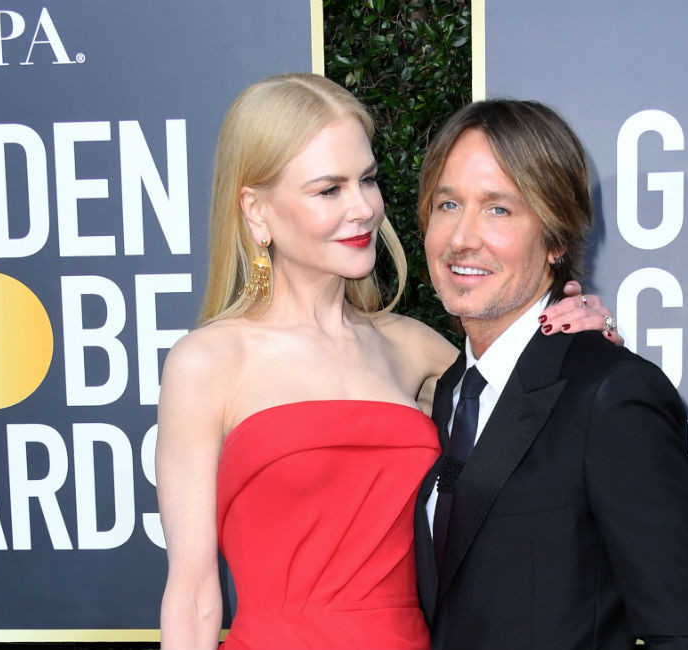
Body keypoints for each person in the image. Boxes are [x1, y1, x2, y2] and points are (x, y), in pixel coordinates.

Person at [155, 73, 618, 649]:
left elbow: (544, 432)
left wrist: (577, 336)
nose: (364, 209)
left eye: (367, 180)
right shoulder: (206, 363)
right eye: (329, 190)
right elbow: (195, 593)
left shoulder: (415, 347)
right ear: (257, 212)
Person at [414, 99, 688, 649]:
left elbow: (682, 636)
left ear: (556, 240)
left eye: (498, 209)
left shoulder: (613, 394)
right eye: (447, 204)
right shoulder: (446, 393)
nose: (462, 237)